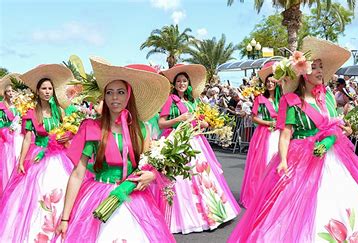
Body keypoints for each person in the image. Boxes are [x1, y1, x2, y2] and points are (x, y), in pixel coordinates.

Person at [229, 37, 358, 242]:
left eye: (321, 67)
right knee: (295, 208)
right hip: (300, 157)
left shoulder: (326, 98)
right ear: (302, 72)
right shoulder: (290, 101)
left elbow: (332, 125)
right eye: (314, 67)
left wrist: (345, 128)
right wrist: (282, 160)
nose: (319, 71)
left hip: (332, 157)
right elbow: (285, 134)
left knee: (338, 201)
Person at [56, 57, 175, 242]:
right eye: (109, 92)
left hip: (134, 198)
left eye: (120, 92)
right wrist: (65, 217)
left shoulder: (142, 129)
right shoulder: (91, 127)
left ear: (129, 96)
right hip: (98, 195)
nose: (114, 97)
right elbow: (78, 174)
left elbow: (147, 165)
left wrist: (151, 175)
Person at [158, 64, 240, 234]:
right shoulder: (169, 100)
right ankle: (184, 217)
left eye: (184, 81)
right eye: (179, 81)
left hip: (196, 142)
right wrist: (178, 119)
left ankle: (209, 214)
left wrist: (203, 123)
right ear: (174, 84)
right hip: (176, 142)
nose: (182, 83)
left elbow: (200, 120)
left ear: (188, 83)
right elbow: (161, 123)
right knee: (180, 180)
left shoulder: (194, 101)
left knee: (201, 176)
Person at [0, 64, 75, 242]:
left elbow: (66, 131)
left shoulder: (60, 111)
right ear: (38, 91)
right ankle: (37, 231)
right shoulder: (31, 113)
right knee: (37, 195)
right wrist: (20, 161)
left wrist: (67, 137)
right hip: (39, 156)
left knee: (62, 189)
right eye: (44, 88)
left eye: (50, 88)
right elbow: (27, 138)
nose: (47, 92)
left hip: (60, 157)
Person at [240, 61, 281, 208]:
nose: (270, 84)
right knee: (263, 164)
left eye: (272, 82)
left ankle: (274, 194)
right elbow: (254, 117)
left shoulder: (282, 100)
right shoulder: (260, 99)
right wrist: (269, 123)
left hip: (279, 133)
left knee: (277, 162)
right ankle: (259, 195)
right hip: (263, 134)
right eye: (267, 82)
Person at [0, 73, 23, 196]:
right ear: (4, 93)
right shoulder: (1, 107)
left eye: (12, 91)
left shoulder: (19, 106)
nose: (10, 93)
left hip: (18, 136)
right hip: (6, 138)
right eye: (8, 91)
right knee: (7, 163)